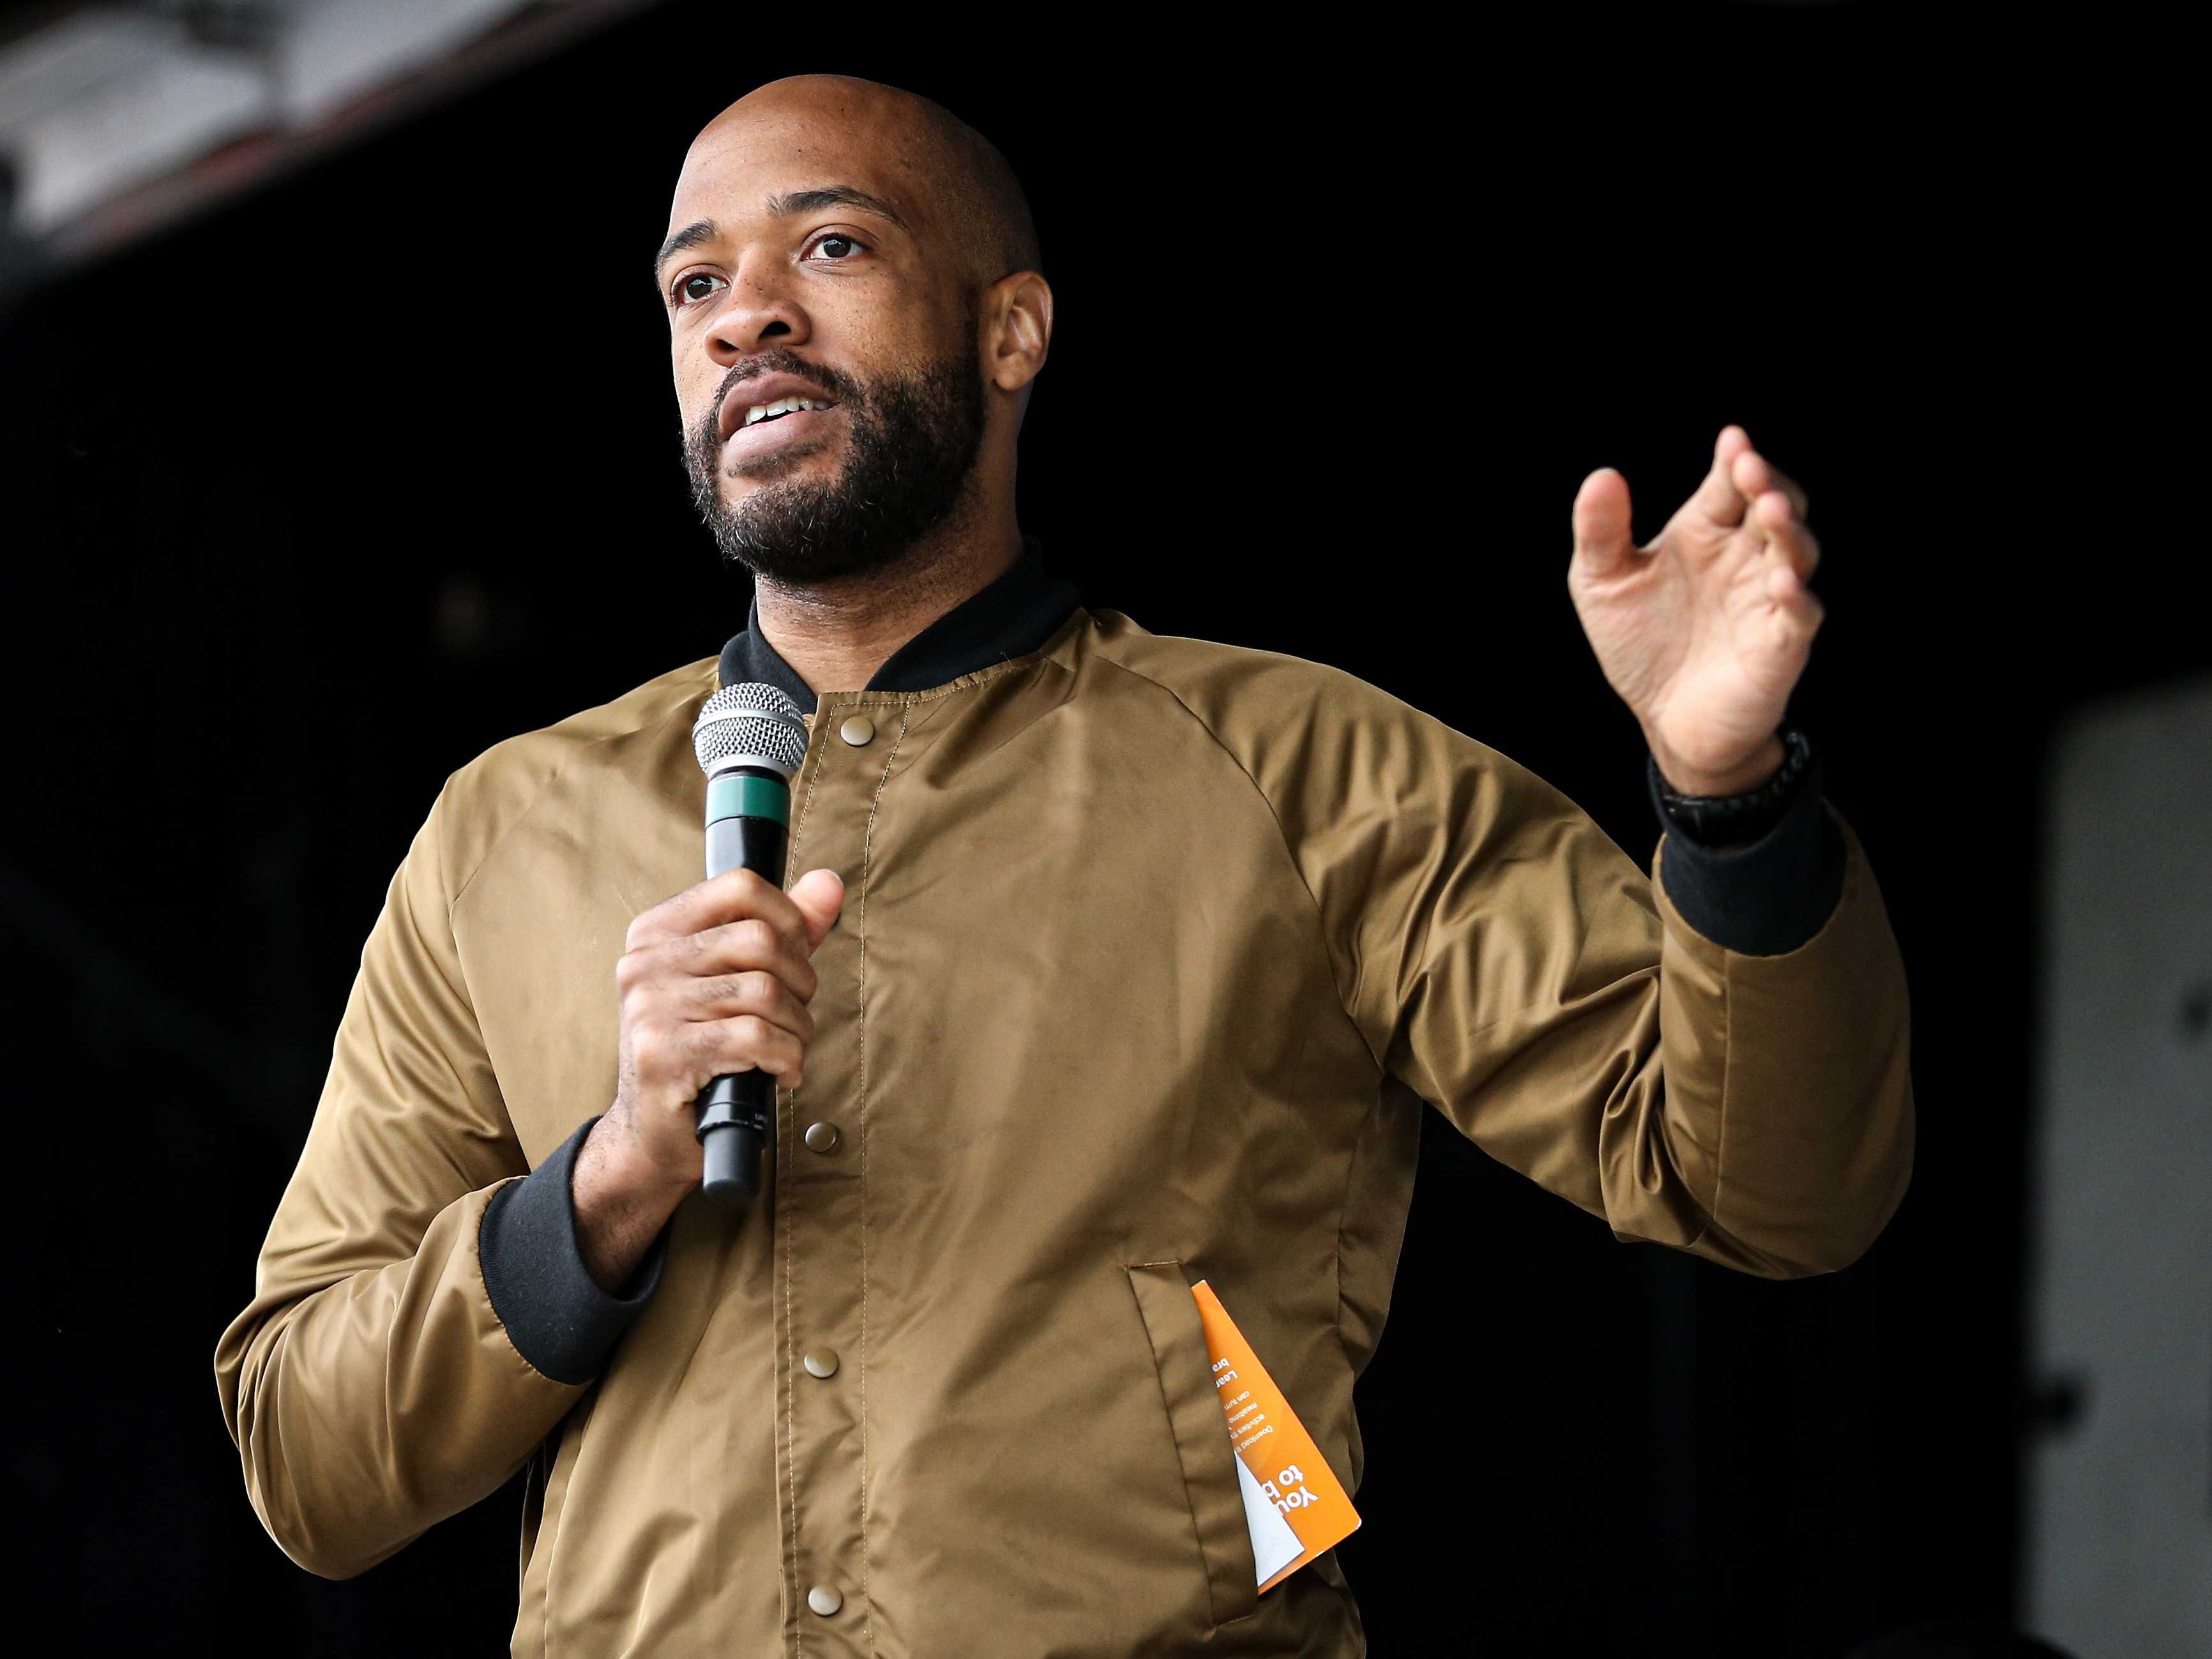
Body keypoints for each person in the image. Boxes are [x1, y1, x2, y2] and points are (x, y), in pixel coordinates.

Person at [216, 75, 1911, 1657]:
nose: (745, 314)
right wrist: (607, 1187)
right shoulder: (508, 829)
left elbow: (1774, 1187)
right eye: (691, 286)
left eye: (829, 245)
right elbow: (307, 1459)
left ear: (1012, 328)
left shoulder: (1300, 769)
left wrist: (1724, 795)